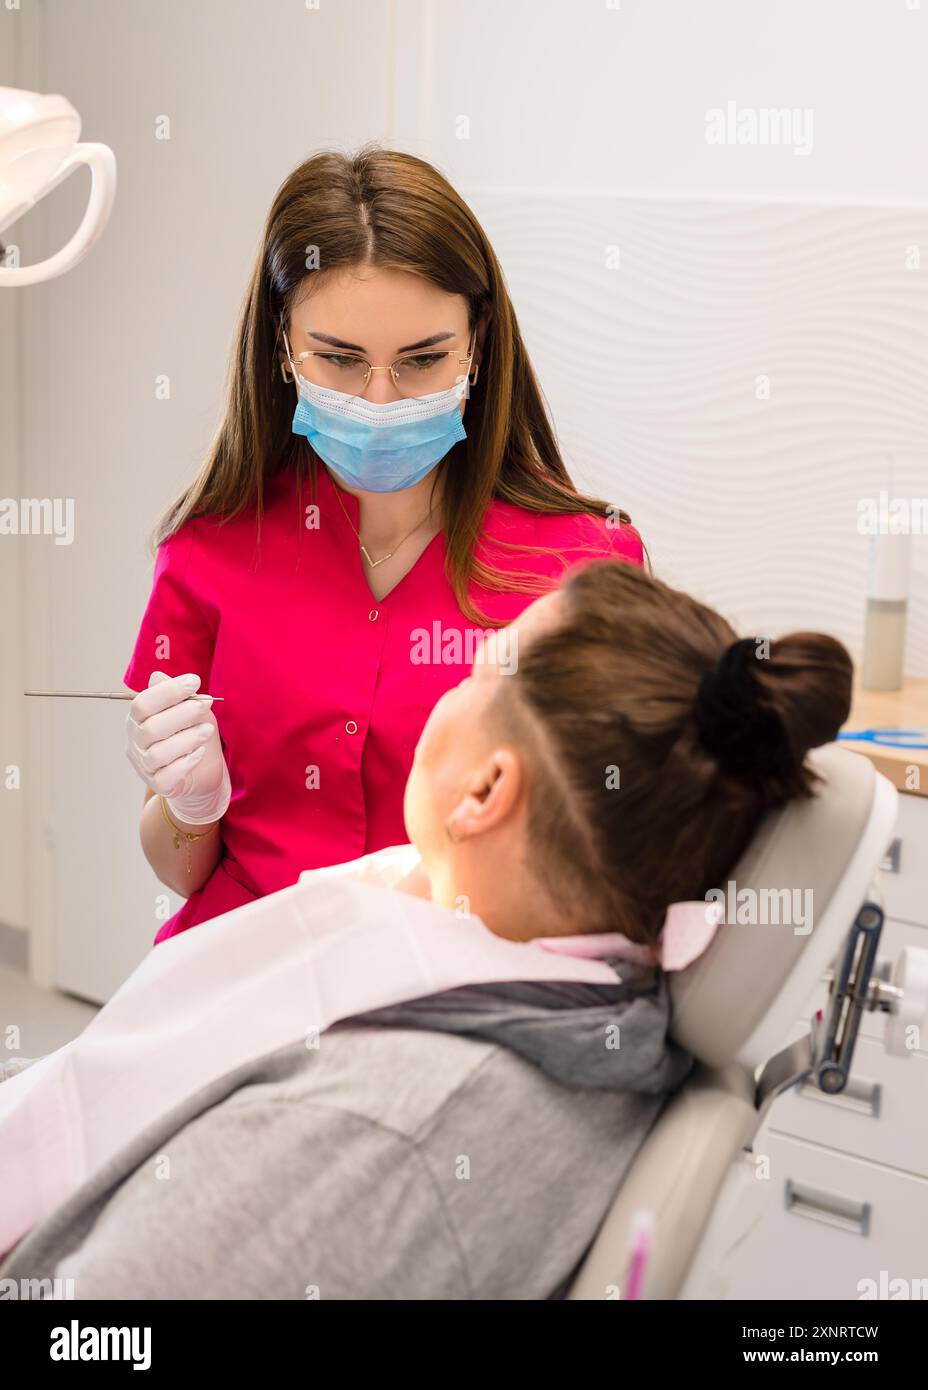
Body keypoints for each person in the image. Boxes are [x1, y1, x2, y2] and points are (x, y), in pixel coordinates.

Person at [2, 561, 852, 1298]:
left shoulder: (377, 1132)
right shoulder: (570, 987)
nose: (449, 688)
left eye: (477, 671)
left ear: (486, 793)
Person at [122, 142, 644, 945]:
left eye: (422, 360)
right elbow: (181, 870)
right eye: (338, 359)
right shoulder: (210, 548)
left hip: (462, 993)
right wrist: (193, 807)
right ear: (282, 345)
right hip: (246, 973)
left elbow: (616, 861)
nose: (379, 398)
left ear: (478, 342)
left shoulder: (581, 566)